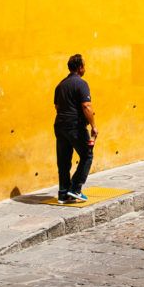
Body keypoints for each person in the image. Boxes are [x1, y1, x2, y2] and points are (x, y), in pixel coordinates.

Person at [54, 53, 97, 204]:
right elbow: (86, 106)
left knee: (64, 161)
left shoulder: (60, 85)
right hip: (75, 126)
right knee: (87, 155)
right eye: (84, 66)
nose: (85, 68)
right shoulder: (81, 84)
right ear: (80, 68)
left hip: (60, 125)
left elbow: (57, 106)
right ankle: (75, 189)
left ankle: (63, 193)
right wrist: (93, 125)